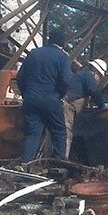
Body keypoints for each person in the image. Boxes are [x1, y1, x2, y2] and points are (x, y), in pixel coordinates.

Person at [17, 31, 72, 162]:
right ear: (62, 44)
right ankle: (59, 164)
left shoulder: (33, 53)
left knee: (32, 134)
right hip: (51, 99)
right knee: (58, 131)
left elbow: (20, 77)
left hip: (31, 99)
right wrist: (59, 95)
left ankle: (25, 165)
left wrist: (27, 94)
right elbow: (65, 81)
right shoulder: (62, 57)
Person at [62, 58, 108, 158]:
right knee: (66, 133)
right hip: (68, 105)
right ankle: (62, 159)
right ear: (96, 71)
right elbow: (94, 91)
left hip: (66, 103)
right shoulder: (88, 76)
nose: (99, 79)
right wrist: (102, 105)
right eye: (100, 76)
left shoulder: (81, 75)